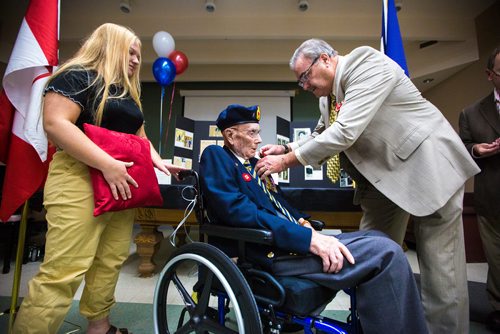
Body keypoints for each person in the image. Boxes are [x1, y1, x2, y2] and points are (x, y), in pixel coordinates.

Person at [255, 39, 481, 334]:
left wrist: (285, 163)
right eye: (299, 81)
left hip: (427, 167)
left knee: (441, 271)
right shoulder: (328, 98)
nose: (304, 86)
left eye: (305, 76)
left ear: (324, 59)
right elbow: (322, 133)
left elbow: (345, 132)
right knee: (367, 254)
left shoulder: (366, 64)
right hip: (384, 183)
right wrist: (285, 148)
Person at [12, 23, 186, 334]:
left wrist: (160, 162)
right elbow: (55, 124)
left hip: (120, 183)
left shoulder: (126, 93)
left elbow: (139, 137)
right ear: (110, 47)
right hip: (78, 178)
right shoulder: (75, 75)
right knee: (64, 271)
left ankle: (99, 326)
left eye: (139, 55)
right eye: (130, 52)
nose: (135, 60)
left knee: (110, 260)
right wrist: (107, 164)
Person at [199, 104, 428, 334]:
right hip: (266, 250)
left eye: (258, 132)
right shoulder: (216, 156)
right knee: (386, 251)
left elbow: (279, 204)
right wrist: (307, 238)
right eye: (252, 132)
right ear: (230, 135)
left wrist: (301, 222)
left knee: (378, 237)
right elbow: (240, 212)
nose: (259, 140)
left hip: (288, 241)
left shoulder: (253, 166)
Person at [459, 46, 500, 332]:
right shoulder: (471, 113)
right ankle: (498, 307)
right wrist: (477, 150)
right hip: (491, 197)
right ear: (490, 75)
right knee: (496, 259)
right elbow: (461, 148)